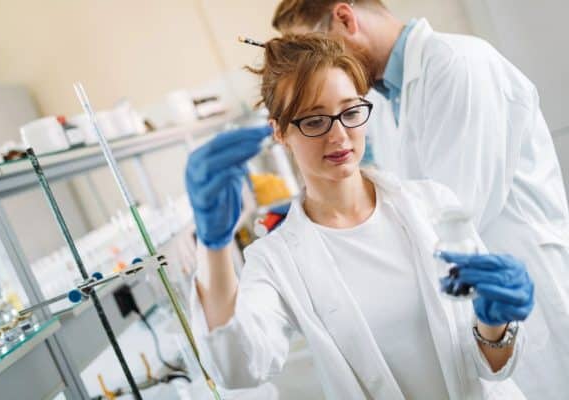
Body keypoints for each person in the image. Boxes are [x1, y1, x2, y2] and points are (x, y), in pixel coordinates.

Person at [185, 34, 534, 400]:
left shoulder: (434, 206)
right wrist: (214, 246)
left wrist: (495, 325)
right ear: (279, 132)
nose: (339, 136)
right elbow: (238, 367)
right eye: (315, 120)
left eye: (350, 112)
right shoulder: (275, 261)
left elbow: (492, 366)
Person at [266, 2, 569, 399]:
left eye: (318, 41)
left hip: (525, 297)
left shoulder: (459, 65)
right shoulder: (388, 99)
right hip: (480, 320)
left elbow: (451, 214)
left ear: (345, 17)